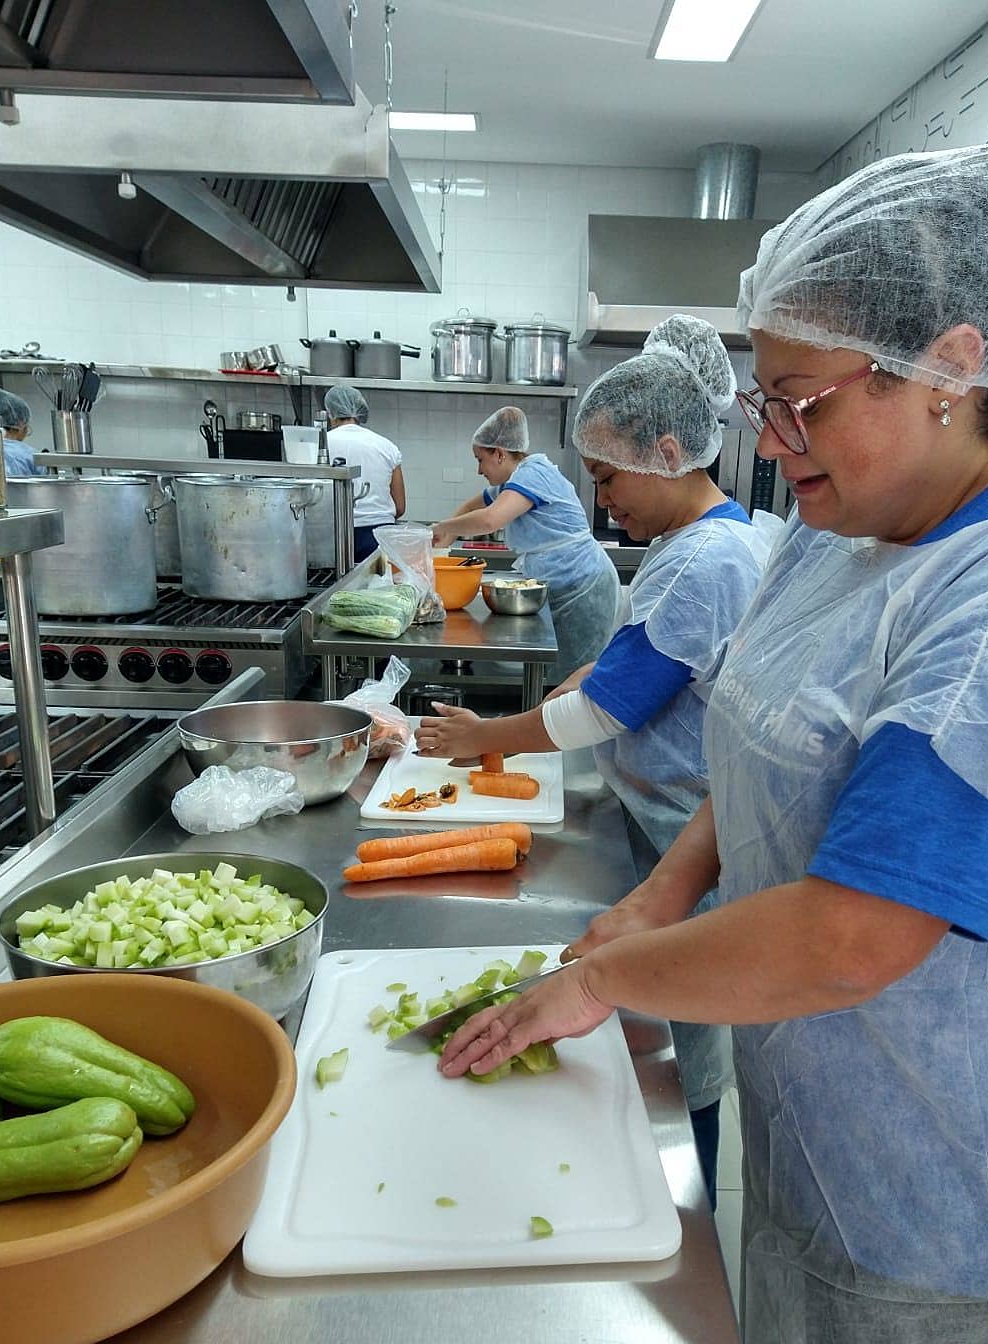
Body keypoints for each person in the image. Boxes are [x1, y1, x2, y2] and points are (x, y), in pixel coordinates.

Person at [433, 145, 988, 1344]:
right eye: (765, 397)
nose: (772, 439)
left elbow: (853, 934)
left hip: (958, 1152)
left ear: (948, 367)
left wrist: (612, 978)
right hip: (840, 1099)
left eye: (802, 400)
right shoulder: (854, 520)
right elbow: (767, 720)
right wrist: (660, 892)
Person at [416, 317, 773, 1202]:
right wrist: (528, 713)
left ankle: (682, 1186)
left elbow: (602, 711)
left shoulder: (707, 562)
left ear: (665, 451)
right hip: (657, 823)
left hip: (687, 837)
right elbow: (615, 667)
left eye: (610, 477)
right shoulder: (691, 545)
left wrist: (484, 739)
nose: (602, 498)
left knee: (684, 1044)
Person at [429, 405, 620, 676]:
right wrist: (448, 532)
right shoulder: (515, 479)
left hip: (583, 585)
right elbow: (476, 504)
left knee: (576, 677)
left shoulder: (533, 473)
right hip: (564, 582)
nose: (478, 470)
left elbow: (489, 520)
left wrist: (441, 527)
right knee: (557, 674)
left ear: (499, 453)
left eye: (480, 459)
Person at [323, 383, 406, 562]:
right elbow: (400, 507)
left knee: (332, 587)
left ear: (330, 413)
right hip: (378, 536)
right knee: (375, 587)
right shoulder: (387, 446)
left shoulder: (320, 444)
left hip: (330, 535)